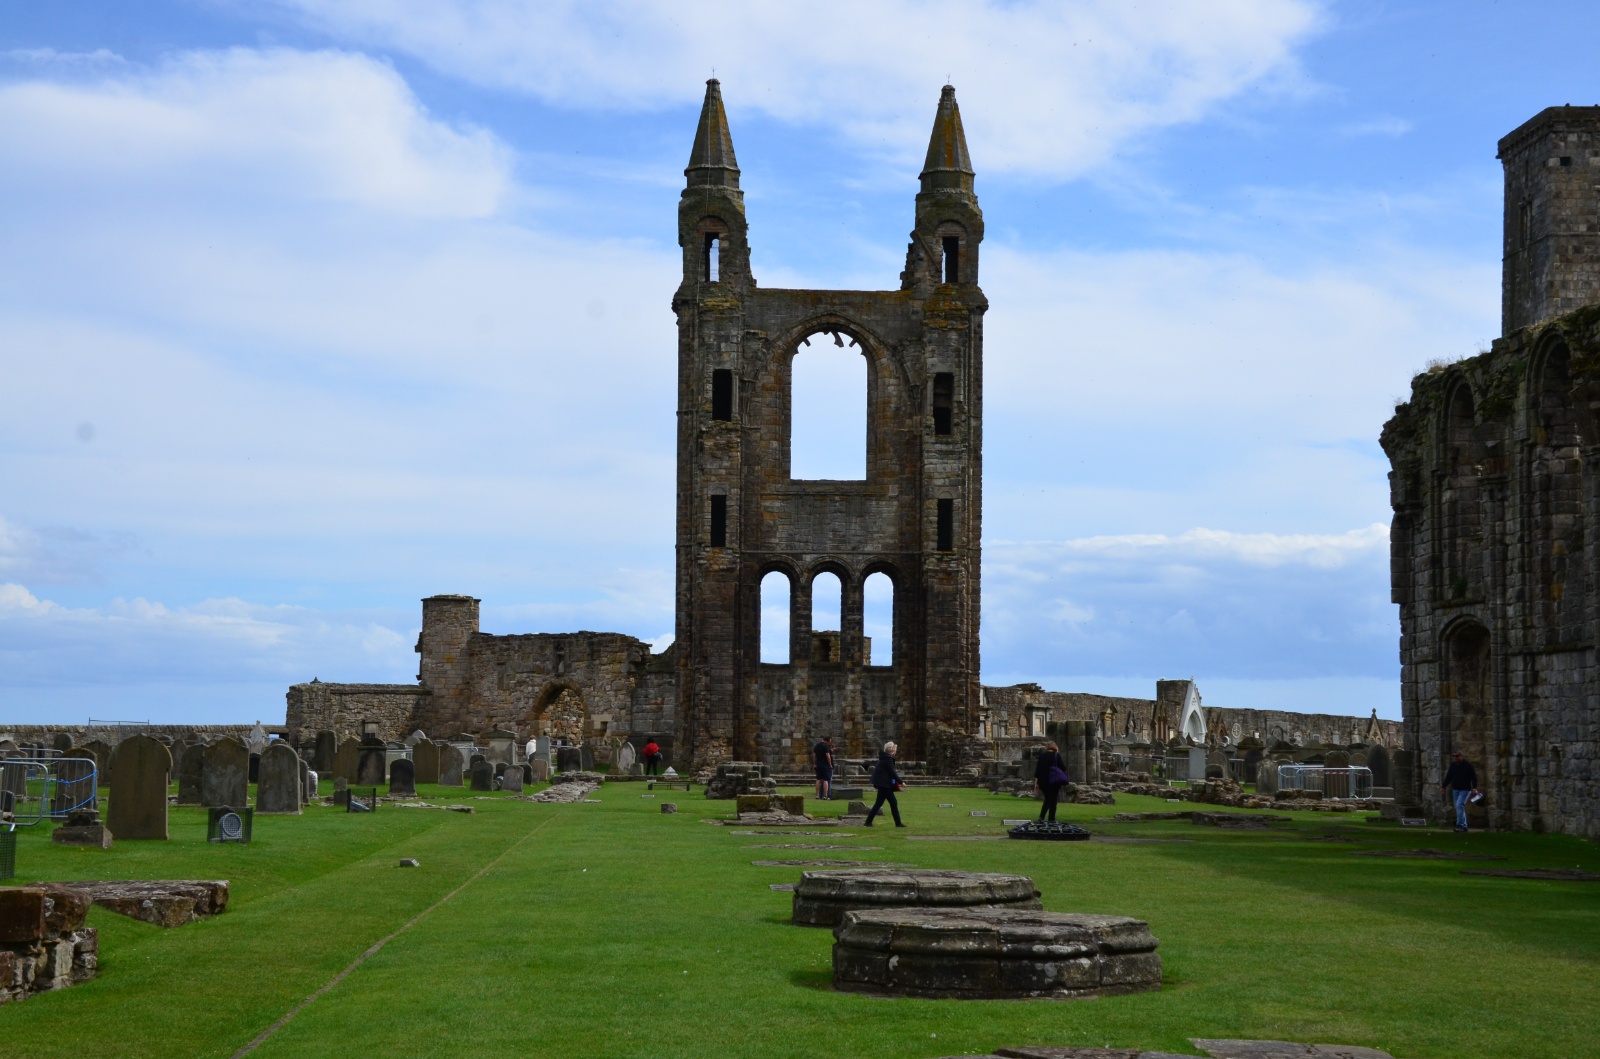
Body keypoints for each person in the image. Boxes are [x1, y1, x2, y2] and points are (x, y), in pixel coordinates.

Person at [865, 741, 905, 828]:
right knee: (892, 802)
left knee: (879, 803)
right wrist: (901, 782)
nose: (895, 750)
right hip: (884, 784)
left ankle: (868, 822)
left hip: (883, 783)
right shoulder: (888, 759)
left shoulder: (885, 758)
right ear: (890, 750)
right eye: (894, 749)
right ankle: (898, 823)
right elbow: (892, 772)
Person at [1441, 751, 1478, 832]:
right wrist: (1443, 786)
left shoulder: (1467, 765)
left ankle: (1459, 825)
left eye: (1457, 756)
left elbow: (1473, 777)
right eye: (1454, 756)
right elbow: (1449, 777)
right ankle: (1464, 826)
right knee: (1459, 807)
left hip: (1465, 789)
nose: (1455, 758)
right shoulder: (1453, 765)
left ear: (1461, 756)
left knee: (1459, 805)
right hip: (1456, 790)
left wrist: (1474, 788)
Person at [1034, 740, 1068, 823]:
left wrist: (1036, 783)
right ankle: (1051, 818)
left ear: (1047, 747)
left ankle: (1042, 817)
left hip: (1043, 782)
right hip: (1054, 781)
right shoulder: (1056, 756)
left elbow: (1037, 771)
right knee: (1053, 800)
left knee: (1048, 799)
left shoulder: (1042, 756)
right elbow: (1063, 767)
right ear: (1055, 747)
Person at [814, 736, 835, 800]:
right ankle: (825, 795)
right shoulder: (825, 747)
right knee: (826, 780)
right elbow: (828, 756)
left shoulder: (816, 746)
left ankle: (817, 794)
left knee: (818, 779)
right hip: (825, 765)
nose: (829, 743)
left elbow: (814, 756)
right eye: (829, 742)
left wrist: (815, 764)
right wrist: (830, 764)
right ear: (827, 741)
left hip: (818, 764)